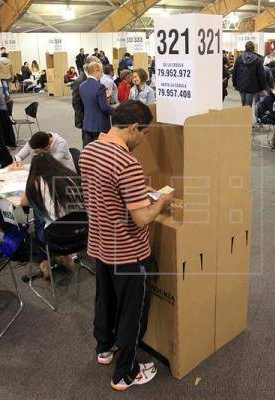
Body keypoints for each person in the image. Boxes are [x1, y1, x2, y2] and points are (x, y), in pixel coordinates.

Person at [79, 100, 172, 391]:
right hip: (129, 251)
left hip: (100, 244)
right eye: (144, 133)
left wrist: (138, 191)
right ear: (133, 128)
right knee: (133, 313)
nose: (144, 139)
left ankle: (104, 349)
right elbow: (142, 219)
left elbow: (104, 190)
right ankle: (125, 374)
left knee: (105, 301)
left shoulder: (89, 150)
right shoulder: (127, 162)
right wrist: (162, 202)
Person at [20, 153, 81, 279]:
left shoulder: (36, 183)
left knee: (38, 210)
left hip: (56, 237)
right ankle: (63, 256)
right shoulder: (70, 175)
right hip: (81, 232)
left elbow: (23, 202)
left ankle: (45, 260)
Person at [79, 61, 114, 147]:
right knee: (100, 150)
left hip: (87, 123)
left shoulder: (82, 86)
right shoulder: (100, 87)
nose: (101, 75)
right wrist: (117, 111)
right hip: (100, 125)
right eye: (101, 72)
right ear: (96, 71)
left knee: (89, 149)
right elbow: (104, 107)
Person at [71, 56, 101, 145]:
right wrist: (83, 119)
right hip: (86, 119)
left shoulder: (95, 77)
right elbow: (76, 103)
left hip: (96, 118)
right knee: (88, 144)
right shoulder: (79, 81)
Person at [11, 131, 76, 172]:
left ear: (47, 147)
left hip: (64, 174)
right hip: (43, 173)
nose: (35, 153)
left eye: (37, 152)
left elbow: (49, 165)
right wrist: (18, 163)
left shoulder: (61, 144)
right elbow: (18, 156)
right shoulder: (34, 141)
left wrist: (24, 167)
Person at [232, 41, 267, 108]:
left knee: (243, 103)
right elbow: (261, 75)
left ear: (245, 47)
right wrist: (262, 87)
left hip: (241, 84)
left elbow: (235, 72)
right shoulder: (258, 59)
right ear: (253, 48)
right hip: (252, 86)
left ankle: (244, 114)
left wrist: (235, 84)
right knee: (248, 105)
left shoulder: (239, 58)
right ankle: (246, 114)